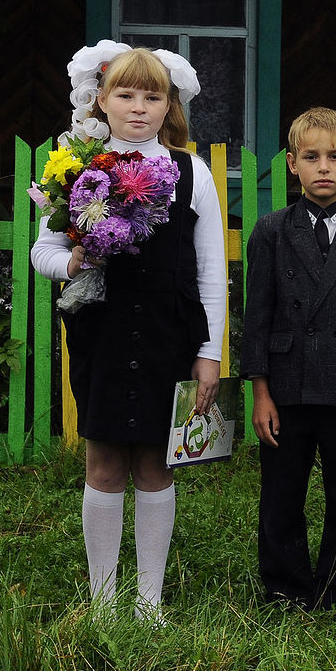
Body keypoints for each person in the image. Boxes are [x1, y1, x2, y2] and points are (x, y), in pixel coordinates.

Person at [30, 43, 226, 623]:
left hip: (169, 330)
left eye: (152, 96)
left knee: (157, 464)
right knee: (105, 459)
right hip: (103, 331)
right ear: (100, 99)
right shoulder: (75, 166)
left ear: (170, 106)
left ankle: (149, 600)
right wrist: (71, 263)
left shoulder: (192, 172)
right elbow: (45, 248)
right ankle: (102, 600)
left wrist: (209, 354)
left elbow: (212, 267)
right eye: (126, 94)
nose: (138, 107)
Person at [240, 107, 336, 613]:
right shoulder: (270, 230)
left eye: (334, 157)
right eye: (311, 157)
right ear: (292, 164)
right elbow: (256, 316)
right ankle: (286, 588)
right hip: (285, 386)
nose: (323, 167)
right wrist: (259, 391)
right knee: (281, 494)